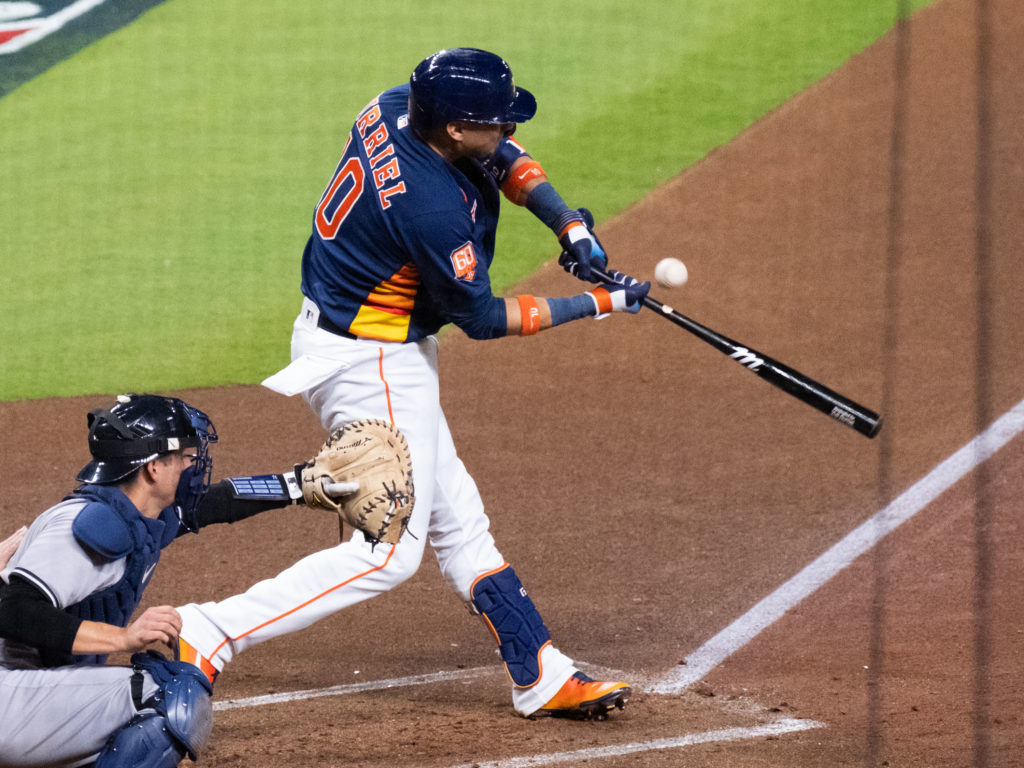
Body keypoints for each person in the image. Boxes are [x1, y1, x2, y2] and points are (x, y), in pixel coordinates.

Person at [174, 47, 649, 720]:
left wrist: (566, 222)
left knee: (461, 522)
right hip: (370, 365)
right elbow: (482, 318)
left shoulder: (400, 104)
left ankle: (539, 672)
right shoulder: (429, 206)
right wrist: (600, 303)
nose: (507, 129)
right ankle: (210, 630)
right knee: (386, 556)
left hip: (356, 343)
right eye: (495, 119)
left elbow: (502, 156)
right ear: (455, 127)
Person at [0, 394, 313, 767]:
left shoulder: (136, 515)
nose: (192, 464)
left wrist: (296, 486)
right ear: (152, 468)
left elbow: (212, 504)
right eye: (184, 456)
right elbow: (13, 610)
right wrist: (123, 637)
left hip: (25, 692)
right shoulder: (86, 527)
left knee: (137, 723)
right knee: (167, 696)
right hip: (9, 694)